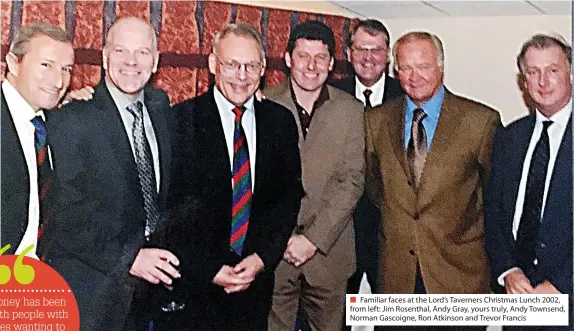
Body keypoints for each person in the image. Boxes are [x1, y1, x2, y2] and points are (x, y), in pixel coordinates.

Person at [40, 17, 178, 331]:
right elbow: (64, 215)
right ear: (104, 57)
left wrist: (251, 99)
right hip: (91, 295)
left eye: (142, 52)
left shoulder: (161, 108)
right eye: (120, 51)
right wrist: (130, 257)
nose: (131, 62)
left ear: (155, 61)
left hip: (144, 296)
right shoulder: (72, 120)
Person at [170, 23, 302, 331]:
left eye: (251, 66)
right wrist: (210, 269)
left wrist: (260, 260)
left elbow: (287, 200)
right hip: (195, 287)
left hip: (254, 285)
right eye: (232, 65)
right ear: (214, 64)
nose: (242, 76)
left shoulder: (280, 123)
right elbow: (171, 211)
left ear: (263, 69)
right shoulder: (180, 121)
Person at [365, 31, 500, 331]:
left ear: (441, 66)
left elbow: (494, 199)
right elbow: (375, 188)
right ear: (395, 71)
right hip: (395, 283)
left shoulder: (480, 122)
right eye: (405, 68)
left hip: (459, 279)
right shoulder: (375, 121)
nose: (414, 77)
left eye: (423, 66)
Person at [265, 20, 365, 331]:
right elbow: (257, 182)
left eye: (320, 57)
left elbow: (352, 181)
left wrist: (312, 240)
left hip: (329, 254)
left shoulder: (351, 110)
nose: (311, 66)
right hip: (274, 255)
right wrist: (281, 237)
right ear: (288, 58)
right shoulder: (263, 103)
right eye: (303, 55)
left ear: (332, 63)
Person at [485, 33, 572, 331]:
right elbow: (494, 214)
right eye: (533, 73)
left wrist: (563, 284)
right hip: (519, 298)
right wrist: (507, 270)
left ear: (569, 73)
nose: (543, 81)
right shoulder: (510, 137)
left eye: (552, 70)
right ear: (523, 82)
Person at [332, 19, 405, 306]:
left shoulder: (408, 95)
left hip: (390, 231)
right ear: (348, 53)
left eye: (376, 50)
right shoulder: (328, 94)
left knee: (389, 316)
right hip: (340, 230)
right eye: (361, 49)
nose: (368, 58)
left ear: (387, 56)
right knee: (340, 318)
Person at [1, 22, 74, 257]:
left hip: (35, 281)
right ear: (13, 63)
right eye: (46, 65)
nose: (58, 81)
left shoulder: (54, 124)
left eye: (67, 69)